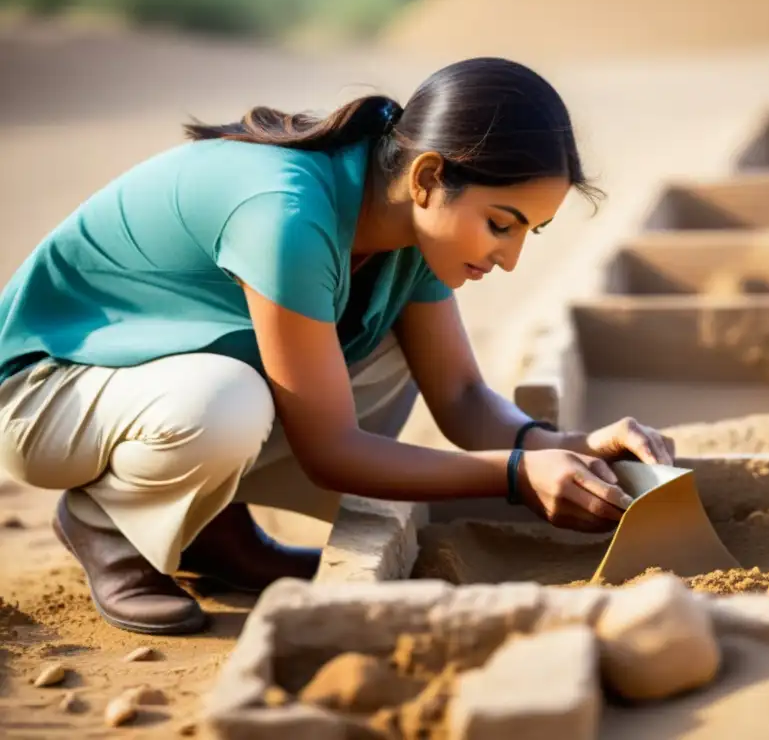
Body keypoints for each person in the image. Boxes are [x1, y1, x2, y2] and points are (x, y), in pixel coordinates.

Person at [0, 57, 675, 636]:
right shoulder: (288, 216)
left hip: (148, 383)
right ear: (427, 178)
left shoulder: (409, 227)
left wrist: (574, 447)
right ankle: (109, 530)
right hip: (44, 392)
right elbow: (330, 451)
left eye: (532, 231)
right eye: (501, 224)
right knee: (223, 405)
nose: (510, 258)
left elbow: (464, 399)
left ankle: (213, 532)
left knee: (374, 351)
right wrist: (516, 476)